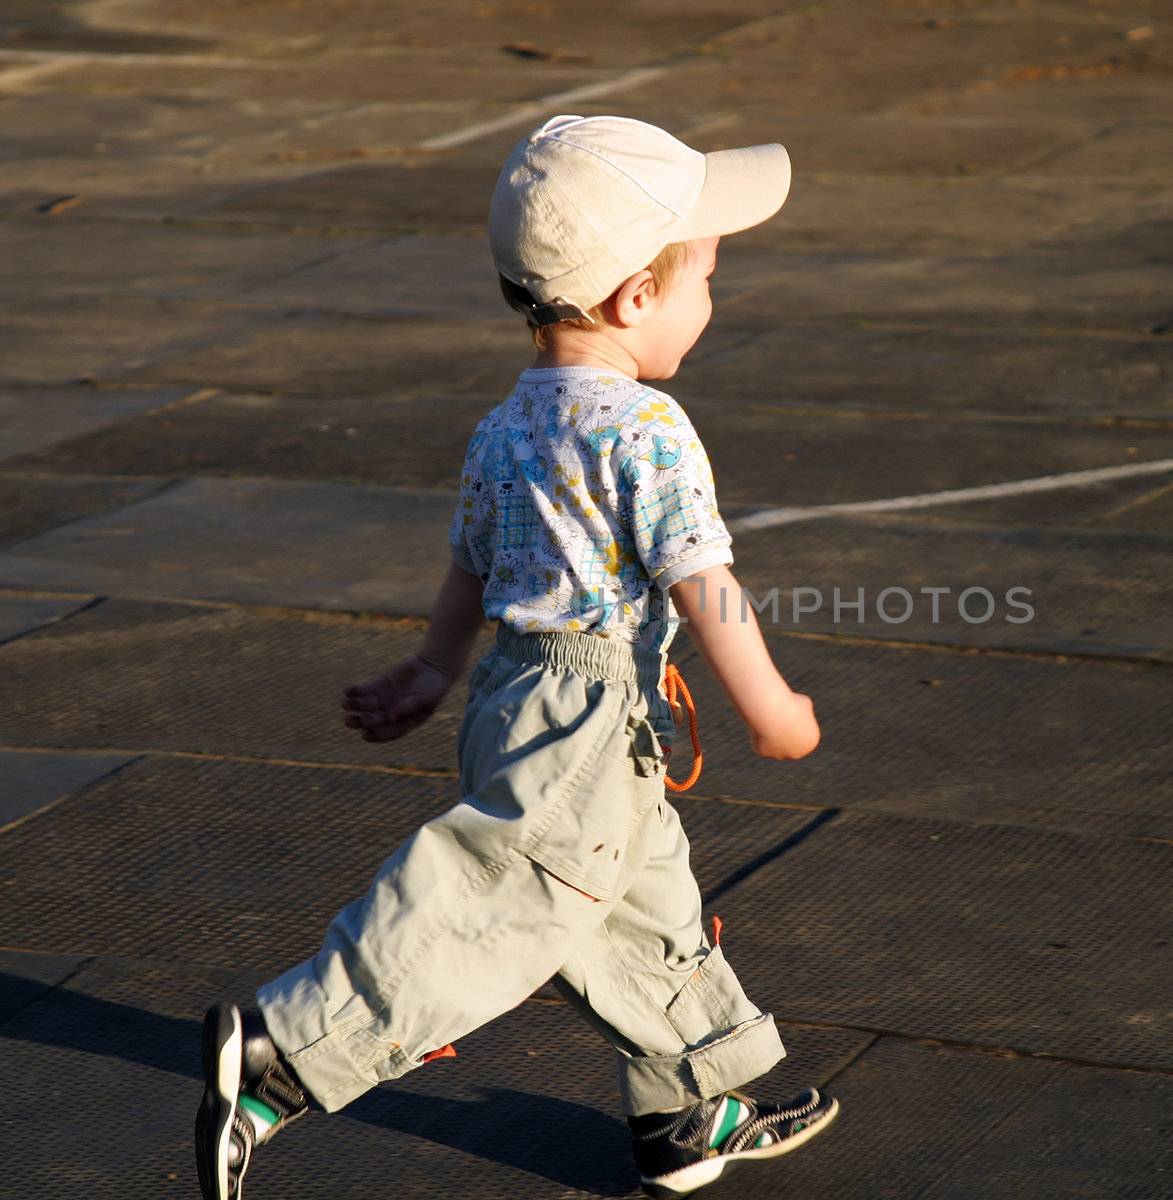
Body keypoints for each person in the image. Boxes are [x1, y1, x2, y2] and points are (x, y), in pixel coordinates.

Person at [195, 113, 839, 1200]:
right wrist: (771, 706)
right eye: (706, 279)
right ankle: (287, 1049)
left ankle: (691, 1106)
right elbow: (701, 583)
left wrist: (435, 672)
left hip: (520, 696)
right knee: (495, 904)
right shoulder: (647, 427)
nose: (710, 303)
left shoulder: (504, 423)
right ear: (637, 298)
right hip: (585, 717)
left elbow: (469, 566)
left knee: (642, 907)